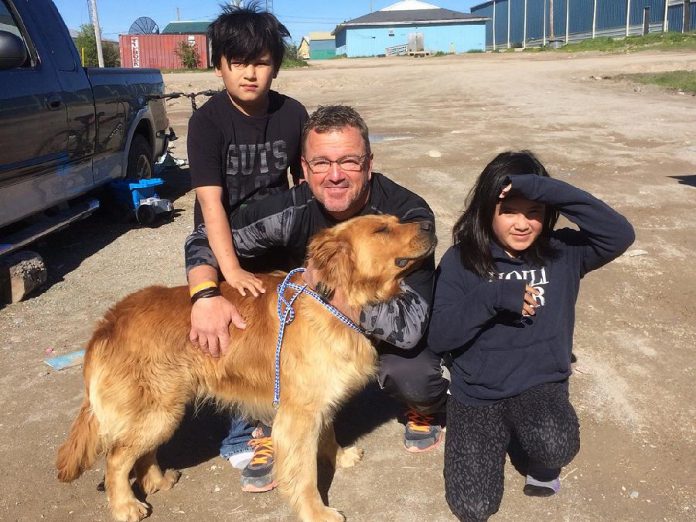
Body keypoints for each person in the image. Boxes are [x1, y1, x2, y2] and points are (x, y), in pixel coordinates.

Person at [186, 105, 449, 493]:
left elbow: (409, 327)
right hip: (324, 328)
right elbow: (205, 236)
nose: (335, 174)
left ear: (369, 164)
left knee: (413, 377)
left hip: (389, 328)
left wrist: (331, 292)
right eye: (321, 162)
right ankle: (270, 427)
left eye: (349, 161)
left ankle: (426, 409)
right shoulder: (291, 209)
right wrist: (205, 295)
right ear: (305, 169)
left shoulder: (405, 217)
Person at [427, 151, 635, 521]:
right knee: (472, 507)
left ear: (549, 211)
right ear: (486, 210)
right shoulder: (461, 260)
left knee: (555, 443)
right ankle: (494, 439)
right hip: (478, 395)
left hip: (539, 386)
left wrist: (545, 187)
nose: (522, 224)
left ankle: (537, 456)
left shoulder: (564, 252)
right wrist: (494, 297)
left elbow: (620, 233)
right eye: (509, 210)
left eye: (535, 211)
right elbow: (440, 337)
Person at [184, 3, 307, 487]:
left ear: (275, 64)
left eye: (260, 61)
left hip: (278, 235)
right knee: (232, 336)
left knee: (287, 333)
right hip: (224, 239)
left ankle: (291, 418)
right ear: (219, 66)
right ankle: (244, 435)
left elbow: (303, 184)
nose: (249, 73)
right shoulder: (208, 122)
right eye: (238, 62)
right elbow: (210, 205)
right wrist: (229, 273)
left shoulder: (293, 113)